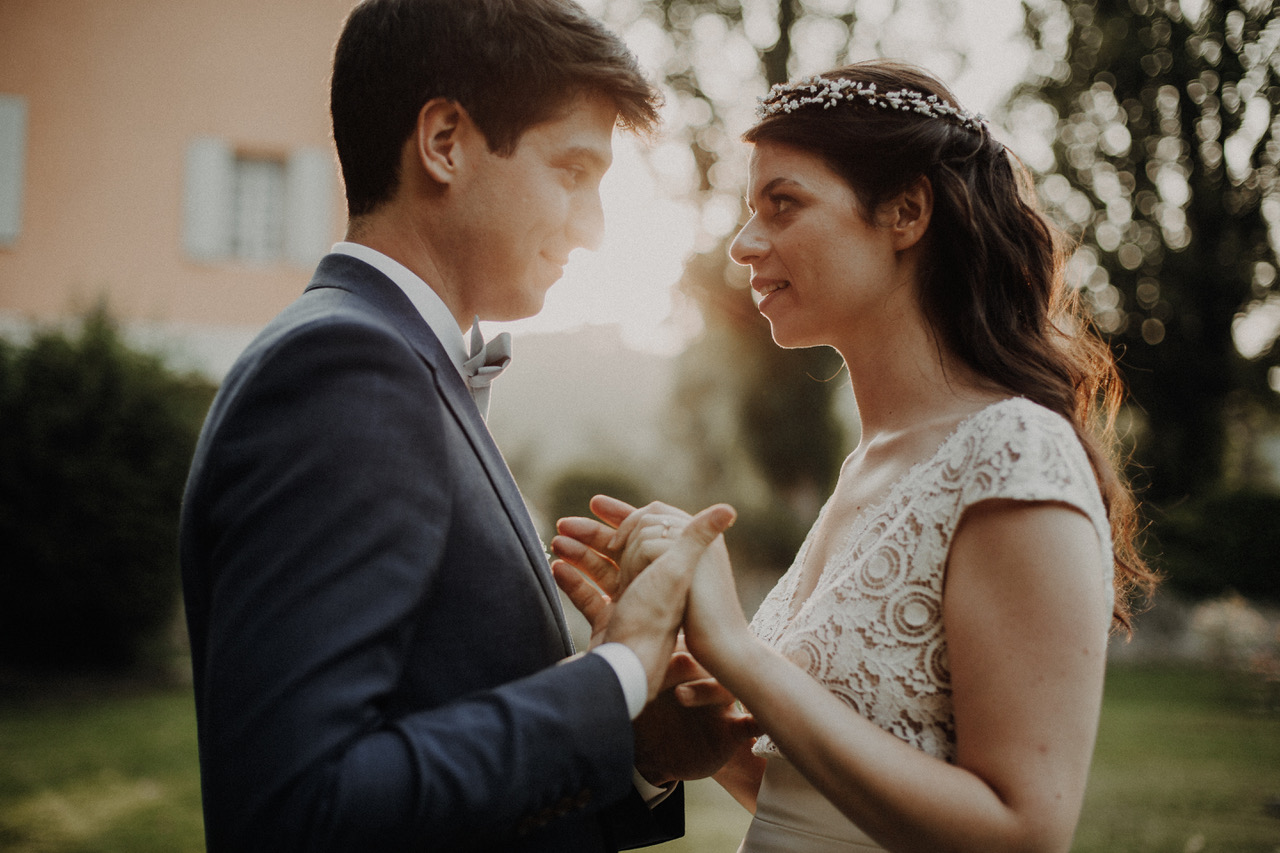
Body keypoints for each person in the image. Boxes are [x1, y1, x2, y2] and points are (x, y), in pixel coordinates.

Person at [178, 1, 751, 850]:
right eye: (572, 171)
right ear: (444, 140)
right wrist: (618, 665)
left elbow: (432, 736)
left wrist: (640, 746)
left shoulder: (401, 363)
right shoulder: (346, 371)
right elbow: (294, 809)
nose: (592, 230)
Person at [551, 60, 1158, 853]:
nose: (743, 244)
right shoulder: (868, 464)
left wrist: (737, 652)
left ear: (906, 210)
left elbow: (1023, 830)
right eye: (749, 210)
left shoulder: (1014, 452)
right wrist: (683, 696)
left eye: (784, 204)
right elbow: (810, 807)